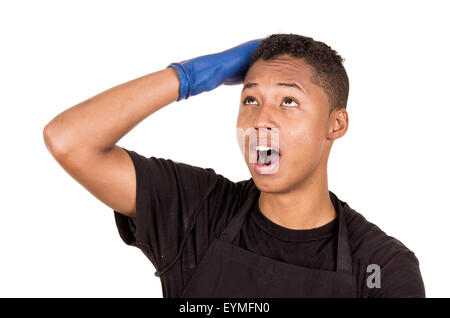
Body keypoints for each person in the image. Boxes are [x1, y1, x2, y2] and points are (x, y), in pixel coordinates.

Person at [43, 33, 426, 298]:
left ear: (335, 124)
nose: (261, 119)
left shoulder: (380, 266)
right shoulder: (197, 209)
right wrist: (187, 78)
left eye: (288, 102)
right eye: (250, 100)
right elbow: (69, 139)